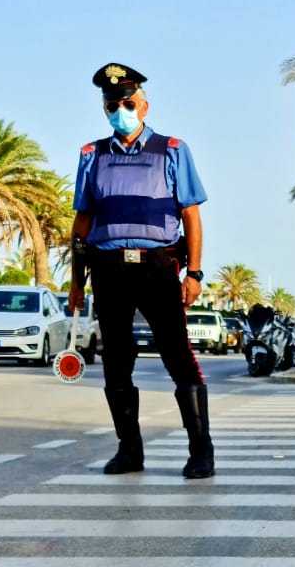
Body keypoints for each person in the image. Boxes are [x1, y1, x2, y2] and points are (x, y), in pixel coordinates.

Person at [68, 62, 214, 478]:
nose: (120, 110)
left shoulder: (171, 149)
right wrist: (76, 283)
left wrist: (196, 274)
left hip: (158, 268)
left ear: (144, 105)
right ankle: (129, 450)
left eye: (128, 102)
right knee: (116, 361)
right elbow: (81, 224)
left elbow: (190, 214)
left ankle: (201, 451)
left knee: (177, 356)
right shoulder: (91, 155)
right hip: (109, 270)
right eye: (112, 104)